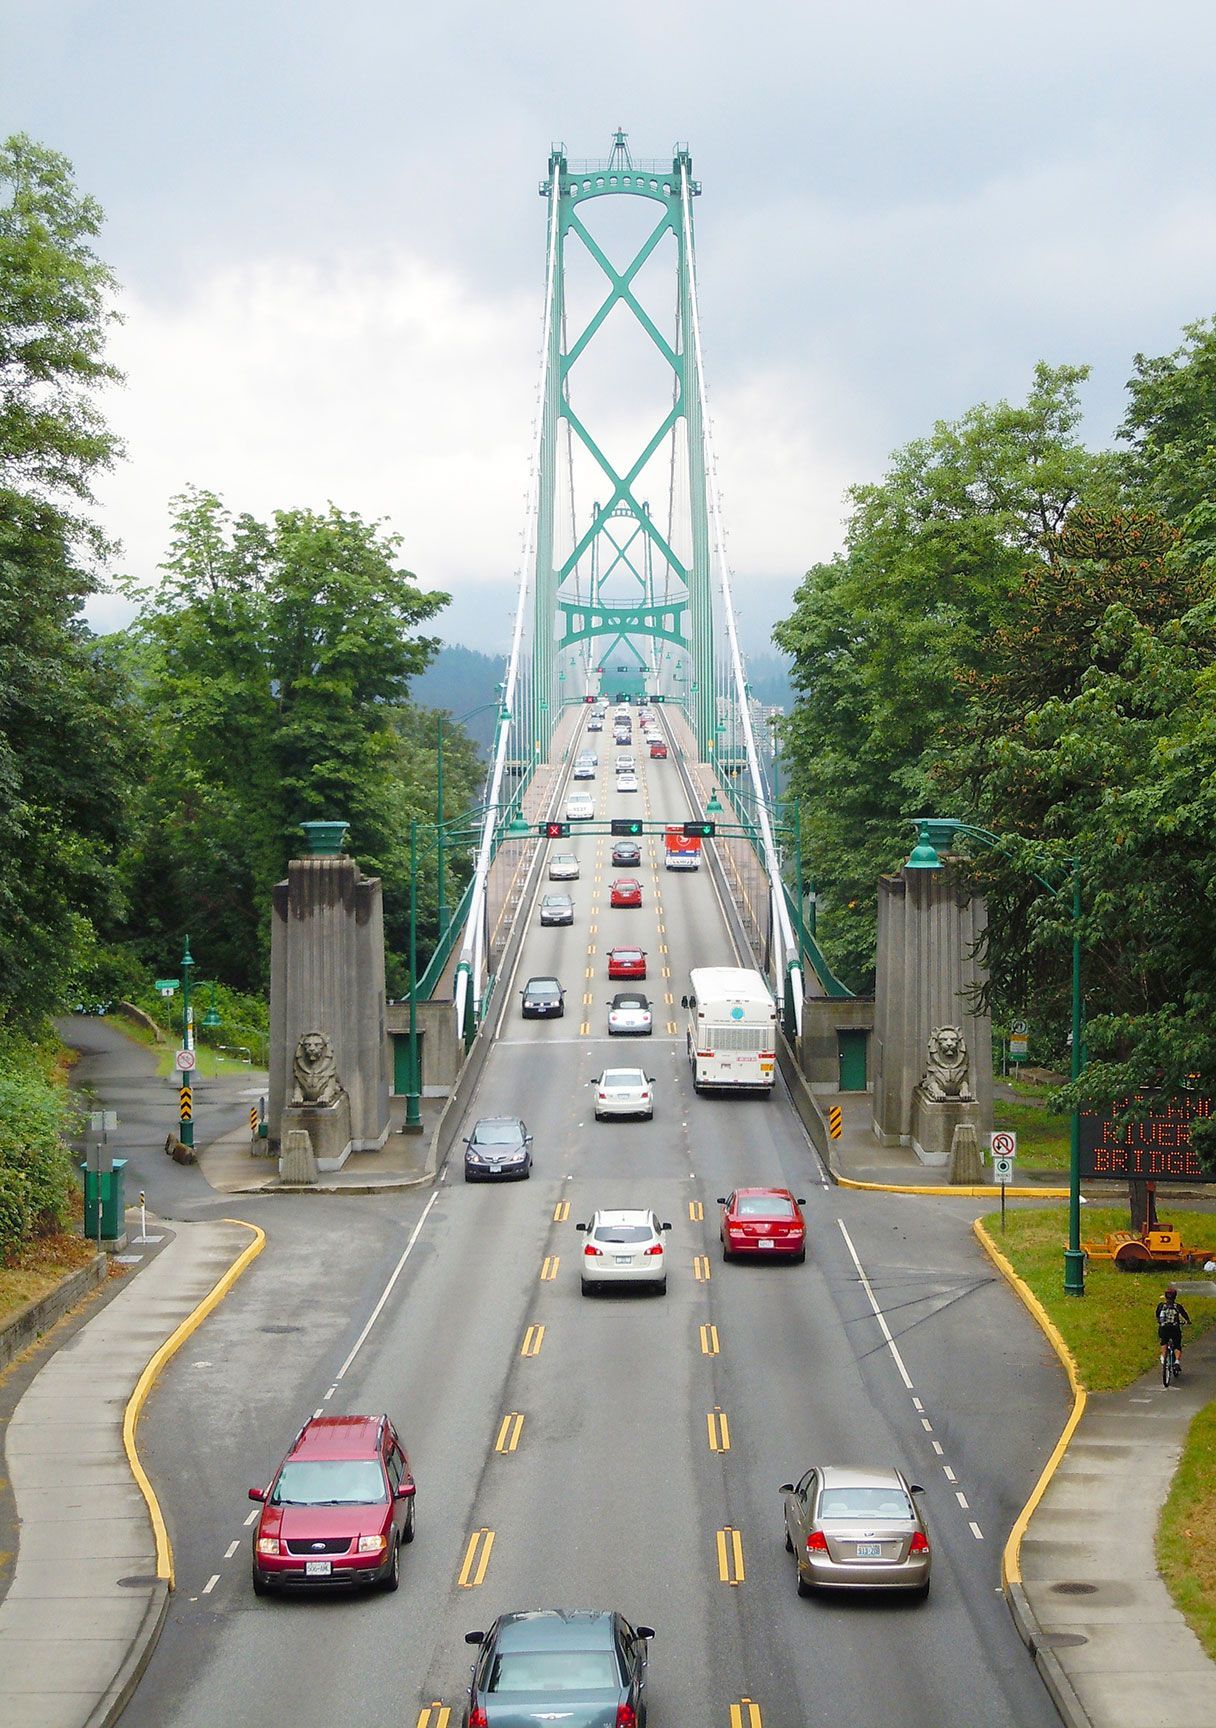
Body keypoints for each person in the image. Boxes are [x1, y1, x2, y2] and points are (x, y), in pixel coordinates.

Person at [1156, 1284, 1191, 1379]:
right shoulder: (1177, 1306)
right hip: (1174, 1329)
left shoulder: (1161, 1306)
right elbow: (1184, 1315)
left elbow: (1157, 1316)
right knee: (1177, 1344)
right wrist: (1188, 1321)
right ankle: (1176, 1362)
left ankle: (1163, 1358)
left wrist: (1159, 1321)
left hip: (1163, 1329)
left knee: (1163, 1341)